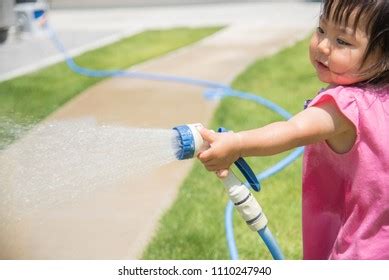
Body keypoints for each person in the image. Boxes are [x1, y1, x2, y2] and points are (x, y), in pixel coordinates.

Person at [197, 0, 389, 260]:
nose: (322, 45)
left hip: (361, 252)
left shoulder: (346, 106)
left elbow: (293, 130)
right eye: (321, 29)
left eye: (342, 41)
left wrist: (238, 143)